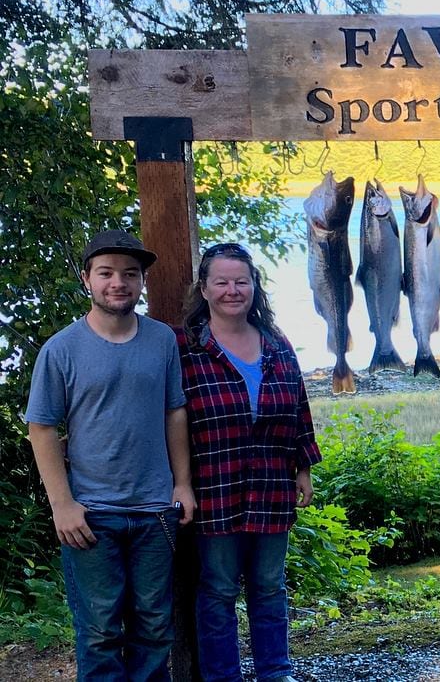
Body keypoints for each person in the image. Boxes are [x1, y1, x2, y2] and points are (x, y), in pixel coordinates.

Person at [25, 229, 195, 680]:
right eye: (106, 273)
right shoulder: (61, 349)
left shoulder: (161, 340)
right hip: (91, 515)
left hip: (155, 511)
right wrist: (62, 505)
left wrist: (182, 483)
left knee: (154, 627)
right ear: (87, 279)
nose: (118, 282)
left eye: (130, 274)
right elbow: (41, 428)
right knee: (100, 631)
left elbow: (174, 411)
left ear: (142, 281)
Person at [175, 242, 319, 682]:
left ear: (255, 286)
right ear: (204, 288)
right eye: (221, 282)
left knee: (269, 586)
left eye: (242, 281)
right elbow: (170, 416)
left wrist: (303, 468)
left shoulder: (277, 343)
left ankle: (276, 672)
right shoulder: (185, 347)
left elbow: (299, 406)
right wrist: (181, 482)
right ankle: (223, 676)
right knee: (218, 589)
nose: (232, 290)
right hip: (215, 487)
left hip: (272, 485)